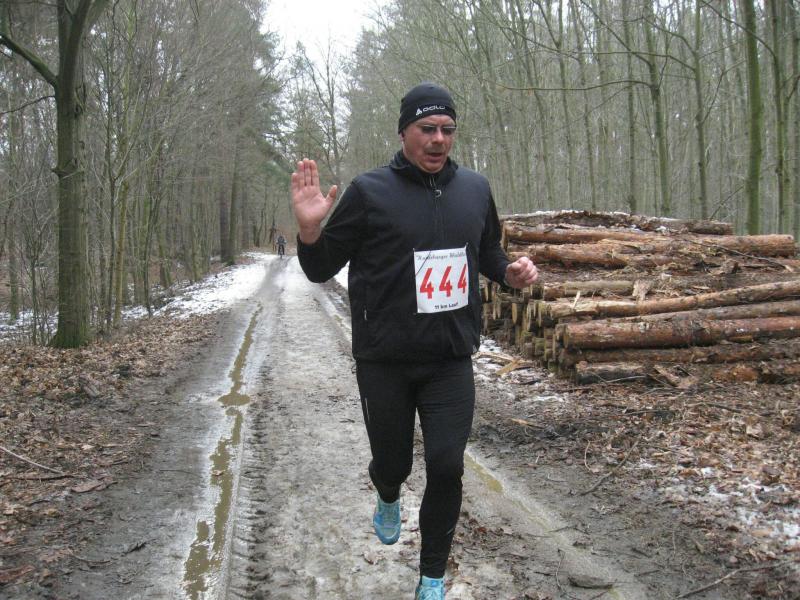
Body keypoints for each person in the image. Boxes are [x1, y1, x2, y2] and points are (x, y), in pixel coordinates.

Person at [290, 82, 538, 599]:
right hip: (385, 360)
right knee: (394, 464)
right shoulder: (369, 192)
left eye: (448, 129)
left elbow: (486, 250)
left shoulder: (475, 189)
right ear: (403, 131)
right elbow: (319, 268)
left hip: (450, 358)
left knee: (447, 465)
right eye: (427, 128)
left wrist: (508, 272)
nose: (438, 139)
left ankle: (432, 575)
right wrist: (311, 232)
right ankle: (387, 493)